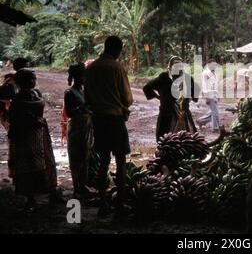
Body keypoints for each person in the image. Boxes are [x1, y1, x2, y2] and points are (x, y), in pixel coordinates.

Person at [84, 36, 133, 217]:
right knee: (121, 161)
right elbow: (127, 97)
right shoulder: (116, 67)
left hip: (98, 119)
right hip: (115, 119)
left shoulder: (92, 68)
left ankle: (103, 203)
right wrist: (123, 106)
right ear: (117, 49)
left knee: (103, 162)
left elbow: (87, 95)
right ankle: (120, 204)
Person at [6, 69, 60, 210]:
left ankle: (49, 191)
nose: (32, 82)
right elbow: (15, 118)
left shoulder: (33, 94)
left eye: (33, 79)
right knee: (28, 164)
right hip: (25, 135)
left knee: (45, 161)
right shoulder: (18, 99)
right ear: (20, 82)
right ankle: (30, 197)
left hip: (38, 132)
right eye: (29, 79)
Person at [143, 56, 200, 141]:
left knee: (184, 140)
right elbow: (147, 87)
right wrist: (157, 96)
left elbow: (195, 92)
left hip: (182, 114)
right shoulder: (164, 78)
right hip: (168, 113)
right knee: (168, 140)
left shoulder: (187, 78)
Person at [64, 62, 93, 199]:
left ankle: (83, 185)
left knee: (85, 157)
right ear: (78, 76)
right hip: (76, 128)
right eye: (84, 75)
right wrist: (84, 107)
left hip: (86, 127)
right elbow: (70, 113)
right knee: (76, 158)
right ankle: (77, 188)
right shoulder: (70, 92)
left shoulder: (84, 90)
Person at [198, 58, 220, 132]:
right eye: (213, 65)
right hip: (209, 94)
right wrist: (206, 96)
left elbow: (216, 85)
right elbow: (204, 85)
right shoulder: (205, 73)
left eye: (215, 65)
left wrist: (218, 95)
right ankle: (215, 128)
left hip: (215, 94)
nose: (214, 66)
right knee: (215, 112)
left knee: (213, 111)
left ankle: (201, 121)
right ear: (208, 65)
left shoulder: (215, 73)